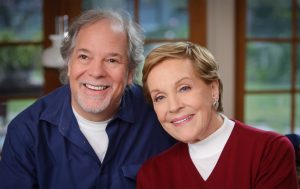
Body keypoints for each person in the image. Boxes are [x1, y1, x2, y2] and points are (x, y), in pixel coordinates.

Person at [0, 9, 175, 189]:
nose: (96, 72)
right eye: (84, 57)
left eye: (112, 60)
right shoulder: (26, 132)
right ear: (69, 64)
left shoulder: (160, 117)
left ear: (130, 73)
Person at [137, 41, 299, 189]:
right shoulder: (152, 174)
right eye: (160, 97)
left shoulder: (269, 151)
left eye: (184, 88)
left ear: (213, 89)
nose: (173, 106)